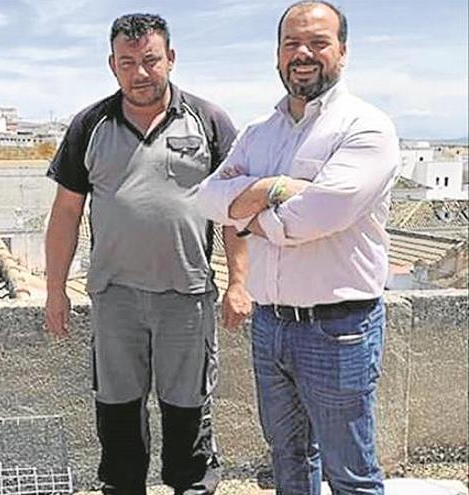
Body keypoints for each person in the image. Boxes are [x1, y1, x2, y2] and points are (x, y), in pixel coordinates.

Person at [194, 2, 399, 494]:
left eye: (318, 42)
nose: (302, 54)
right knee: (287, 462)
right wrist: (277, 188)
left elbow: (317, 217)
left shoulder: (365, 128)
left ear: (343, 52)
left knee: (351, 473)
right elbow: (207, 198)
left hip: (339, 329)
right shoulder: (258, 133)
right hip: (271, 324)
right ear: (278, 55)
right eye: (291, 44)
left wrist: (246, 209)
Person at [44, 13, 251, 495]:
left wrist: (240, 282)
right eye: (128, 62)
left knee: (188, 416)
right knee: (117, 418)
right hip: (115, 301)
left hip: (187, 298)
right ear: (112, 66)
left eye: (151, 60)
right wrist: (55, 290)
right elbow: (66, 213)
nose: (140, 73)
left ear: (171, 59)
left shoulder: (210, 121)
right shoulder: (90, 125)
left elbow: (236, 212)